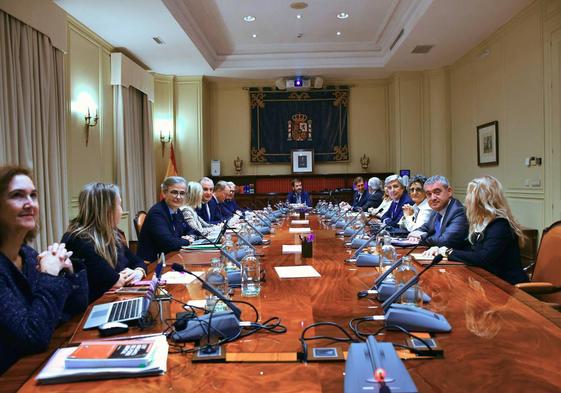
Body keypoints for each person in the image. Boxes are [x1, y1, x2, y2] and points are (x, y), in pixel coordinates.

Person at [0, 166, 88, 374]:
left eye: (33, 195)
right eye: (17, 196)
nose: (29, 203)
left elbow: (74, 309)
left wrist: (67, 270)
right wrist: (49, 276)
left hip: (38, 364)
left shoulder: (28, 255)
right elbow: (32, 334)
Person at [428, 176, 529, 285]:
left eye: (469, 195)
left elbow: (483, 258)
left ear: (479, 200)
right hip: (487, 281)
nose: (466, 199)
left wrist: (448, 252)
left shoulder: (500, 225)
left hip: (507, 287)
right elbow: (468, 248)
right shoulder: (482, 222)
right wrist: (441, 249)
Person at [62, 183, 147, 302]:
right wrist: (122, 277)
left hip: (110, 299)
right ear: (108, 210)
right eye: (120, 205)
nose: (122, 211)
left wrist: (138, 271)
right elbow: (114, 281)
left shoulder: (111, 233)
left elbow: (137, 261)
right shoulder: (78, 240)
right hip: (87, 312)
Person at [137, 176, 193, 262]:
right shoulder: (157, 213)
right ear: (164, 193)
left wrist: (190, 236)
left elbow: (191, 230)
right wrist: (187, 241)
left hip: (172, 257)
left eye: (182, 193)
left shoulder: (177, 211)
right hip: (153, 264)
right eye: (174, 192)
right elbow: (169, 243)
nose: (178, 197)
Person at [409, 175, 468, 249]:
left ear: (449, 191)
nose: (433, 198)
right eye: (429, 194)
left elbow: (445, 241)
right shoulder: (436, 210)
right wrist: (414, 234)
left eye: (437, 192)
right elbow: (424, 228)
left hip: (454, 258)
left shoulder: (458, 211)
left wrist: (420, 238)